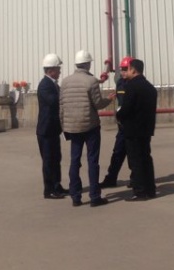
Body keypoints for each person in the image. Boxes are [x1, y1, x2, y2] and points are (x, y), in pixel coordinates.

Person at [60, 49, 115, 207]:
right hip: (90, 127)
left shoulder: (65, 82)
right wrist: (109, 99)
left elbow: (61, 107)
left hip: (72, 127)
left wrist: (64, 126)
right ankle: (94, 196)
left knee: (74, 161)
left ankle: (75, 197)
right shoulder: (91, 81)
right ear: (88, 64)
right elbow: (97, 104)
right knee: (92, 160)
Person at [118, 58, 157, 201]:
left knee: (136, 161)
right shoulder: (150, 87)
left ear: (133, 70)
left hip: (133, 130)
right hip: (146, 130)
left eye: (127, 69)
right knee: (146, 158)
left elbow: (126, 108)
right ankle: (150, 189)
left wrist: (118, 115)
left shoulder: (132, 87)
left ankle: (140, 191)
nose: (125, 72)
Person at [36, 53, 69, 200]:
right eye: (58, 69)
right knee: (49, 160)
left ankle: (57, 185)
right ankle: (48, 190)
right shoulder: (44, 85)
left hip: (53, 129)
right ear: (51, 70)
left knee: (56, 159)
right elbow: (53, 101)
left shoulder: (53, 84)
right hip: (46, 130)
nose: (60, 71)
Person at [100, 56, 133, 189]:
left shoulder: (135, 84)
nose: (123, 72)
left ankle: (135, 178)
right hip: (122, 125)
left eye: (126, 69)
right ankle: (111, 178)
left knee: (132, 153)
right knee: (118, 152)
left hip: (132, 124)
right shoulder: (120, 83)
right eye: (122, 69)